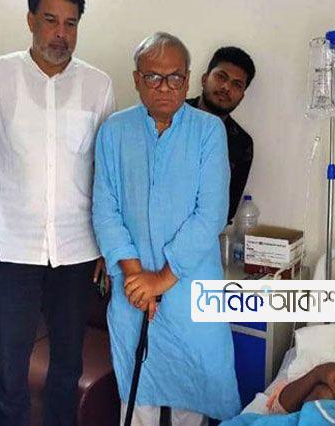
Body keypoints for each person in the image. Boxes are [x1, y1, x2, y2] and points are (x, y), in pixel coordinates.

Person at [0, 0, 115, 424]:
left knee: (67, 366)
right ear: (31, 20)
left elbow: (106, 175)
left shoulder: (98, 85)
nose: (61, 34)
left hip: (76, 250)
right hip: (11, 247)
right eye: (50, 20)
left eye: (71, 23)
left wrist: (105, 246)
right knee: (10, 370)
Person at [93, 32, 241, 426]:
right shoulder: (114, 131)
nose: (164, 87)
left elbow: (210, 214)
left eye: (175, 77)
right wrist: (136, 277)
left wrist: (162, 278)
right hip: (132, 288)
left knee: (192, 391)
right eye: (153, 77)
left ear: (188, 79)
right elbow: (105, 211)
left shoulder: (208, 131)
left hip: (191, 287)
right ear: (137, 79)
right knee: (138, 395)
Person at [187, 46, 255, 222]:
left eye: (236, 84)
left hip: (203, 232)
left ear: (242, 96)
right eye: (221, 77)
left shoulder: (241, 144)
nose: (226, 87)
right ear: (204, 79)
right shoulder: (171, 116)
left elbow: (227, 210)